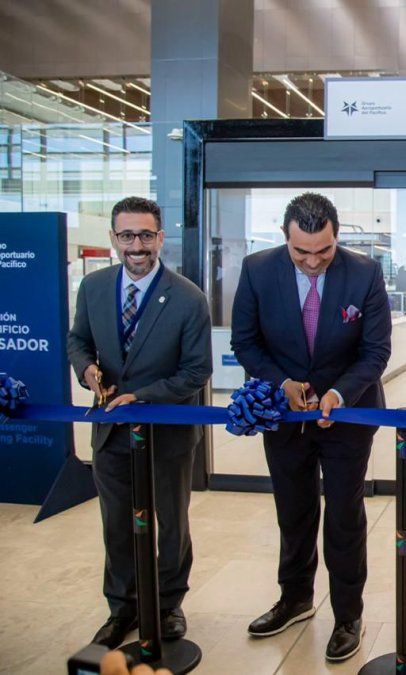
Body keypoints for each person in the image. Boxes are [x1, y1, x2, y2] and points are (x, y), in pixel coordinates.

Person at [230, 192, 392, 662]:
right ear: (285, 239)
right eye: (302, 252)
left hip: (347, 417)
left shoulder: (364, 273)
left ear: (336, 237)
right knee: (293, 512)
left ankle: (347, 616)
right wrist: (280, 384)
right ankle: (296, 598)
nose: (314, 261)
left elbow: (375, 352)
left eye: (324, 250)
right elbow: (246, 342)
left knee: (344, 516)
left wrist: (338, 395)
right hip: (284, 418)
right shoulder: (259, 270)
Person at [67, 197, 213, 649]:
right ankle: (122, 607)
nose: (137, 245)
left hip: (167, 434)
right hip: (110, 433)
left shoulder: (188, 297)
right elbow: (78, 341)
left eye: (146, 235)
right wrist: (87, 370)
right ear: (113, 239)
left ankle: (169, 604)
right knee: (116, 524)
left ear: (160, 238)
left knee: (171, 521)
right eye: (127, 235)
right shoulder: (93, 289)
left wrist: (143, 397)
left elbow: (196, 370)